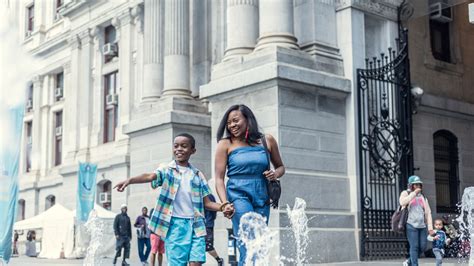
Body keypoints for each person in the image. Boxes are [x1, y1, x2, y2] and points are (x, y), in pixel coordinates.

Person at [114, 133, 234, 266]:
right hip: (175, 226)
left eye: (184, 146)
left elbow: (208, 203)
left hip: (197, 226)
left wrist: (223, 207)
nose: (179, 149)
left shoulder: (197, 175)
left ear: (192, 150)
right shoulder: (166, 171)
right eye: (176, 146)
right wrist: (130, 180)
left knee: (196, 262)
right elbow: (150, 176)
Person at [214, 104, 285, 265]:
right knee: (248, 238)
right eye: (228, 123)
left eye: (235, 120)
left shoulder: (266, 140)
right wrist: (225, 203)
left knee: (259, 241)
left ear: (248, 119)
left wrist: (275, 174)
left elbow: (281, 167)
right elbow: (219, 178)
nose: (232, 125)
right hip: (238, 194)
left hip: (262, 194)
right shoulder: (225, 144)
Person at [400, 175, 433, 266]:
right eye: (415, 184)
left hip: (422, 225)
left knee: (422, 247)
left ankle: (409, 261)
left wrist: (430, 228)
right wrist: (413, 193)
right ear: (411, 185)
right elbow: (402, 202)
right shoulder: (405, 193)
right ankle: (414, 264)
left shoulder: (423, 197)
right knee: (414, 247)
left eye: (419, 184)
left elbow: (428, 213)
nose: (418, 186)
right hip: (411, 225)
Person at [204, 193, 224, 266]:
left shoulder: (209, 196)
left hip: (207, 224)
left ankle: (219, 260)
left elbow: (213, 210)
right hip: (198, 223)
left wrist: (210, 220)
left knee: (208, 246)